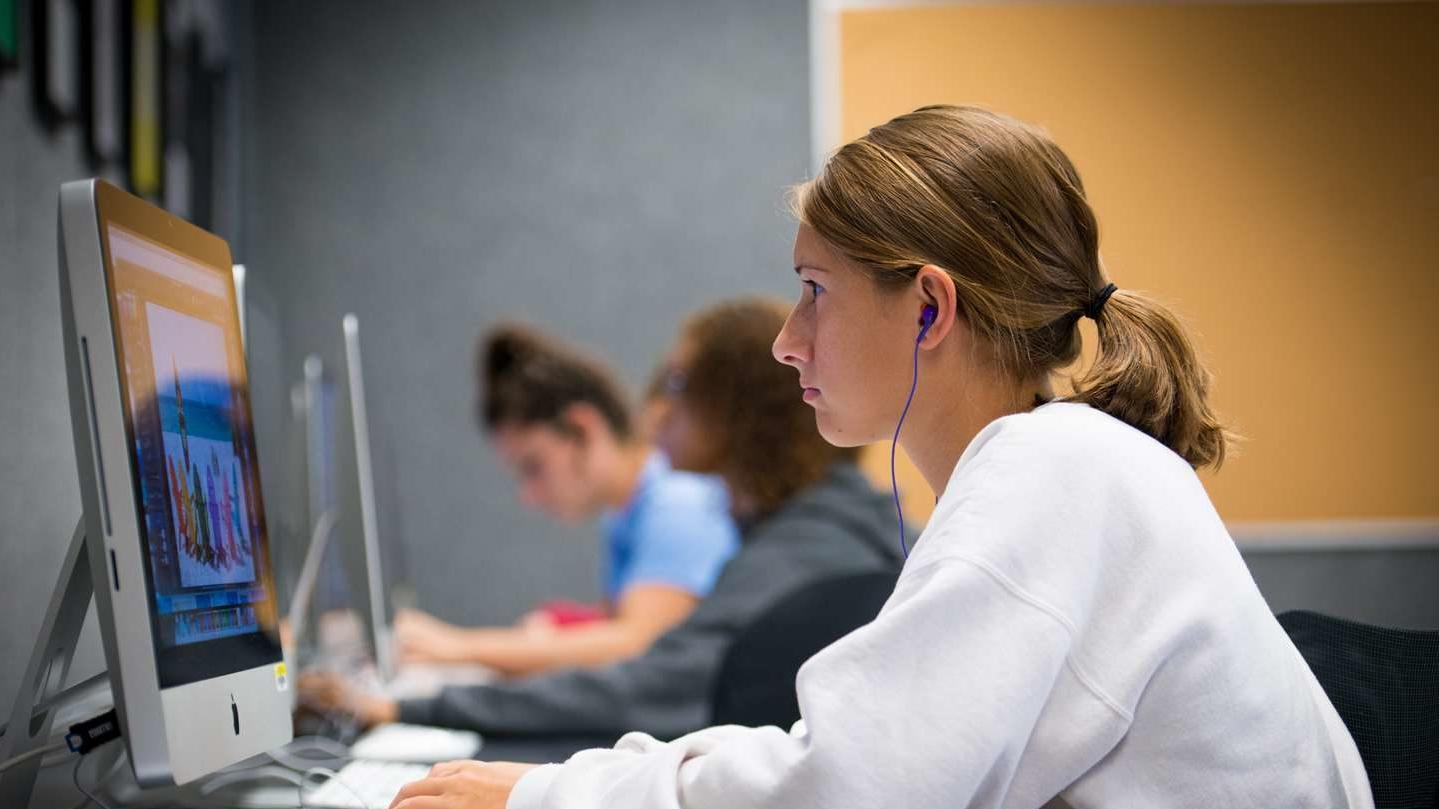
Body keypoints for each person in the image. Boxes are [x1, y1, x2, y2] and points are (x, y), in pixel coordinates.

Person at [388, 105, 1374, 809]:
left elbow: (848, 785)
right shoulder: (1062, 464)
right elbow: (868, 757)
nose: (786, 341)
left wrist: (545, 793)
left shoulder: (1052, 472)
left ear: (930, 308)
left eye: (814, 290)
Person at [303, 297, 903, 739]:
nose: (653, 407)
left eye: (677, 383)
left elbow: (647, 678)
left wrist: (412, 706)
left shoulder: (801, 548)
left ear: (738, 410)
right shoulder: (816, 528)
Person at [392, 325, 739, 677]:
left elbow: (637, 643)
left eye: (533, 466)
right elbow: (627, 619)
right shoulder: (626, 511)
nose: (528, 495)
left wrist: (460, 647)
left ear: (582, 429)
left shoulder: (676, 502)